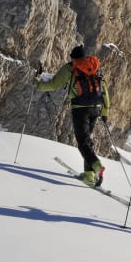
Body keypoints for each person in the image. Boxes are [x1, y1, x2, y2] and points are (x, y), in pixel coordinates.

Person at [36, 45, 110, 187]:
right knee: (87, 140)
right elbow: (104, 89)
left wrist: (38, 84)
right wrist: (105, 112)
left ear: (73, 58)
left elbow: (54, 84)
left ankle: (96, 166)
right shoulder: (95, 67)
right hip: (96, 108)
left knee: (83, 142)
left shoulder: (71, 67)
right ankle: (88, 174)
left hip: (80, 108)